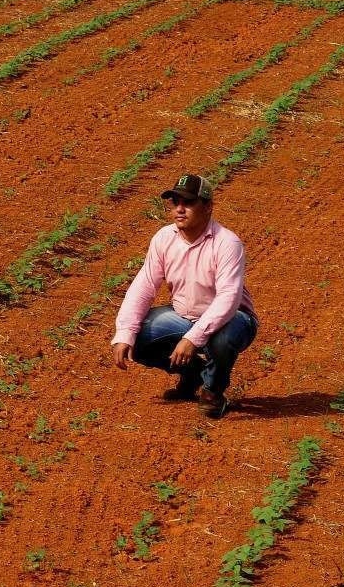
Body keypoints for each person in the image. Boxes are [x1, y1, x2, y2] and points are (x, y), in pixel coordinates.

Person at [110, 174, 257, 419]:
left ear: (208, 207)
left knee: (220, 339)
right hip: (184, 316)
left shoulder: (227, 243)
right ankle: (193, 373)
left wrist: (192, 339)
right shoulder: (164, 238)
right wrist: (125, 332)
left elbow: (228, 300)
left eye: (188, 202)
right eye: (175, 202)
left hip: (233, 319)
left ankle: (213, 391)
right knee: (140, 337)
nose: (180, 209)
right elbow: (144, 284)